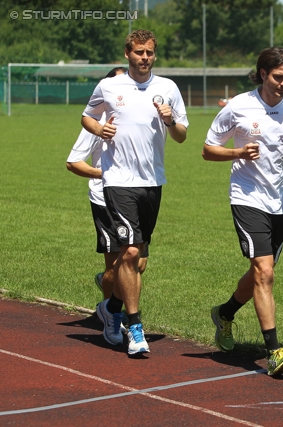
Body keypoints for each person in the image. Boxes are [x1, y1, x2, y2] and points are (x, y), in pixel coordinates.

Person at [202, 47, 283, 376]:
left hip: (282, 201)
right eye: (278, 77)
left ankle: (225, 313)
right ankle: (274, 351)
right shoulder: (239, 106)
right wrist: (237, 152)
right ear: (262, 74)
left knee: (262, 272)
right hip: (247, 197)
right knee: (265, 272)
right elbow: (207, 150)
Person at [81, 29, 188, 355]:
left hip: (152, 181)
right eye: (140, 52)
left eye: (150, 53)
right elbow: (87, 116)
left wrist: (171, 121)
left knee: (137, 260)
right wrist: (100, 128)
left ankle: (111, 309)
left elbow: (183, 135)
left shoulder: (167, 88)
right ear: (128, 53)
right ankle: (135, 327)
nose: (145, 58)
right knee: (128, 252)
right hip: (117, 181)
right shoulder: (110, 86)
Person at [66, 67, 149, 306]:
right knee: (117, 265)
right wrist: (103, 174)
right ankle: (111, 313)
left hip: (136, 195)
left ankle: (109, 286)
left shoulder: (135, 117)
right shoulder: (97, 124)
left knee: (138, 264)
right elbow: (73, 163)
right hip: (105, 199)